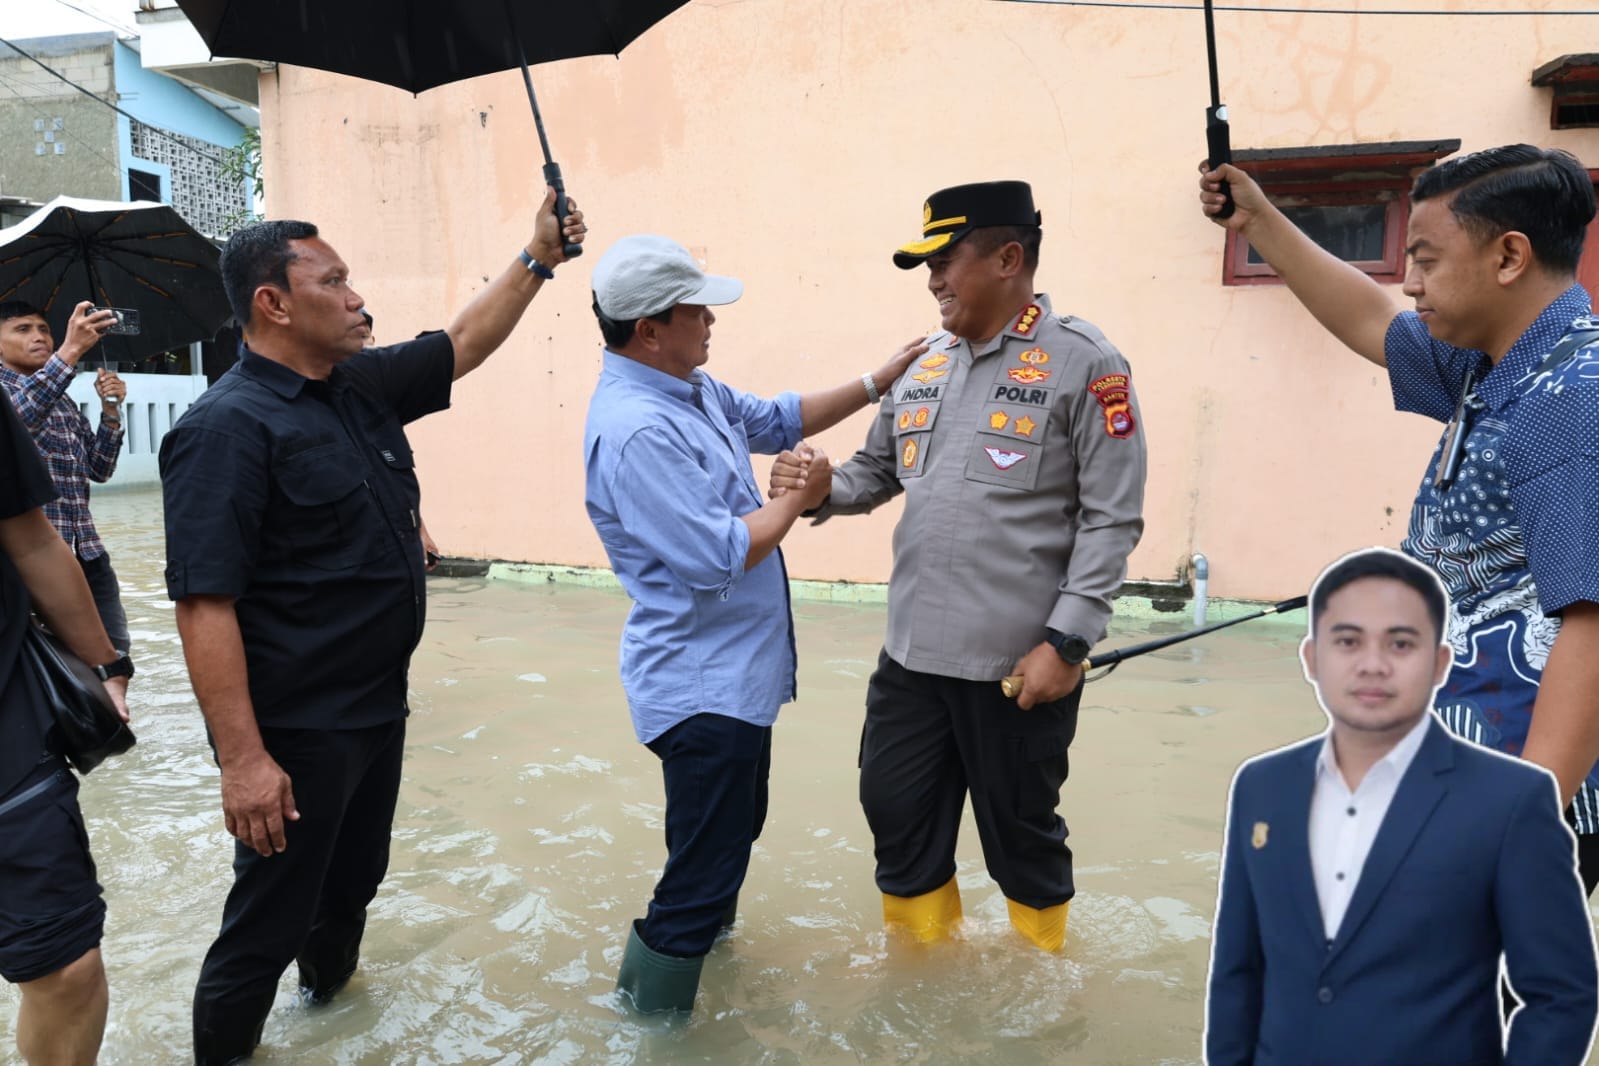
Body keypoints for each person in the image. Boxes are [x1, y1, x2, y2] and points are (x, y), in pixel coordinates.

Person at [159, 185, 585, 1064]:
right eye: (336, 282)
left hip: (373, 708)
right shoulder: (225, 429)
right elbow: (204, 603)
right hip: (295, 729)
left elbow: (462, 343)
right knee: (265, 922)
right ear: (273, 304)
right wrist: (244, 762)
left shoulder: (354, 388)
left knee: (352, 888)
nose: (359, 299)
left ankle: (329, 1021)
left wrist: (537, 256)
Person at [1199, 146, 1599, 891]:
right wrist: (1257, 217)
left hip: (1516, 784)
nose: (1408, 281)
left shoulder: (1570, 394)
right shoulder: (1492, 364)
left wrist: (1521, 818)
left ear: (1508, 256)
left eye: (1426, 259)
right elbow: (1369, 316)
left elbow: (1590, 622)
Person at [770, 180, 1148, 951]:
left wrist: (1067, 644)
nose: (933, 281)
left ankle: (1040, 984)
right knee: (895, 815)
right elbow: (868, 477)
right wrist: (817, 489)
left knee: (1022, 839)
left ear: (1008, 257)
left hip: (1017, 667)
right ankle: (922, 975)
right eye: (926, 266)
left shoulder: (1086, 363)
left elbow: (1112, 519)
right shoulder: (924, 365)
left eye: (944, 260)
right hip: (910, 658)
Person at [583, 234, 927, 1013]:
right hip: (700, 688)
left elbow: (774, 418)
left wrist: (878, 381)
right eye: (696, 310)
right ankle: (649, 1023)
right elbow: (719, 554)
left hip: (731, 679)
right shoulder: (639, 428)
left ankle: (697, 974)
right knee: (701, 871)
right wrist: (800, 496)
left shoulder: (688, 388)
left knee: (719, 843)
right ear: (649, 328)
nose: (711, 322)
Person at [1205, 547, 1598, 1065]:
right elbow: (1238, 969)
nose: (1373, 665)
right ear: (1311, 659)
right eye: (1347, 641)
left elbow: (1560, 995)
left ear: (1439, 663)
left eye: (1401, 643)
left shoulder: (1512, 801)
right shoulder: (1261, 786)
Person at [0, 390, 131, 1066]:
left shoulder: (53, 405)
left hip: (9, 723)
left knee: (67, 968)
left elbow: (35, 534)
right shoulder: (28, 389)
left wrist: (107, 668)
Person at [0, 300, 134, 703]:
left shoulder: (62, 401)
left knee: (116, 660)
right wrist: (70, 352)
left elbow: (99, 468)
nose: (39, 337)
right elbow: (15, 424)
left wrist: (110, 412)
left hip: (87, 552)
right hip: (31, 563)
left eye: (44, 328)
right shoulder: (7, 394)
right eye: (23, 329)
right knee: (48, 672)